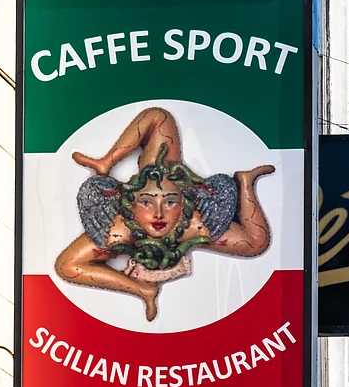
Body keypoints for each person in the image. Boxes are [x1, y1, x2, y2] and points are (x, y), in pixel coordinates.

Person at [56, 107, 274, 321]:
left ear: (184, 203)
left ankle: (244, 181)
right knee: (65, 265)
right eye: (146, 203)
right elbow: (68, 266)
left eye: (170, 203)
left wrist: (245, 188)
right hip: (153, 180)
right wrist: (139, 288)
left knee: (258, 242)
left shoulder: (196, 224)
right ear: (131, 203)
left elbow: (255, 241)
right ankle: (143, 290)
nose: (158, 214)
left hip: (172, 180)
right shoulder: (118, 230)